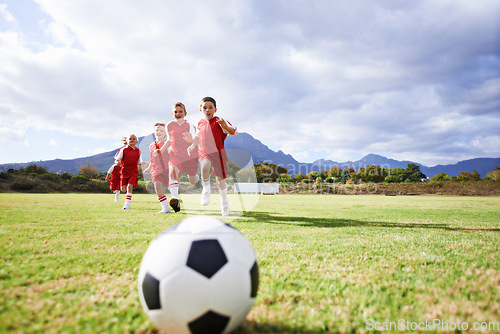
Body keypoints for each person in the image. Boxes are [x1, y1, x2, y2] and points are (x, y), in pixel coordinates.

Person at [187, 96, 237, 216]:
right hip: (204, 152)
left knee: (220, 181)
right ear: (201, 110)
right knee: (204, 167)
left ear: (215, 109)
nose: (207, 110)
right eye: (204, 108)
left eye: (210, 108)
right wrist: (193, 145)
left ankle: (224, 202)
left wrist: (226, 127)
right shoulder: (200, 123)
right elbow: (198, 136)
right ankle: (206, 189)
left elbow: (234, 132)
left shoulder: (220, 121)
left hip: (219, 153)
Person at [158, 102, 199, 212]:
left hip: (190, 156)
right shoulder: (169, 125)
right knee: (172, 173)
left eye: (180, 111)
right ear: (172, 113)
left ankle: (196, 177)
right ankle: (175, 200)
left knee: (193, 181)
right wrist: (161, 150)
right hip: (175, 155)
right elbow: (169, 141)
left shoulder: (190, 125)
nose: (178, 113)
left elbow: (195, 140)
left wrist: (190, 141)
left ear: (185, 113)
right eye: (175, 112)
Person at [143, 122, 171, 213]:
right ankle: (165, 207)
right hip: (156, 170)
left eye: (162, 130)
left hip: (167, 169)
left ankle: (175, 201)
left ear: (166, 133)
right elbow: (152, 158)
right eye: (157, 130)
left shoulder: (167, 143)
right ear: (154, 132)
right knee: (157, 185)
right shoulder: (151, 145)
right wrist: (149, 168)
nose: (159, 132)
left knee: (171, 187)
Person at [114, 134, 145, 210]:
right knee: (123, 189)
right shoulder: (123, 150)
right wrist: (117, 163)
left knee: (129, 187)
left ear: (136, 141)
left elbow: (140, 162)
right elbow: (116, 160)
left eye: (134, 139)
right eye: (130, 139)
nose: (132, 140)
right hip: (124, 172)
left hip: (133, 172)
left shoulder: (138, 151)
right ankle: (125, 200)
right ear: (127, 141)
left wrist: (147, 165)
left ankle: (126, 205)